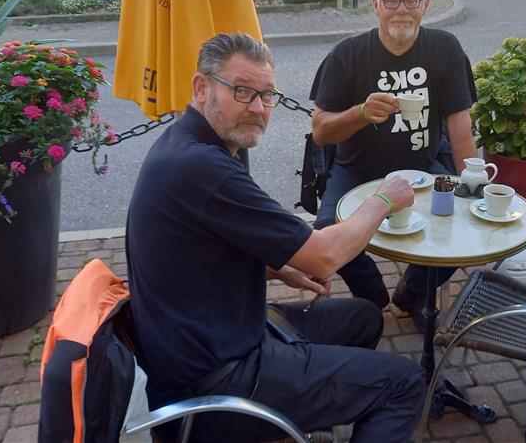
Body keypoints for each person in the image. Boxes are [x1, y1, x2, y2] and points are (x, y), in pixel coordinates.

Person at [125, 33, 426, 442]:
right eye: (243, 91)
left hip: (217, 339)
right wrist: (383, 199)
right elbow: (324, 257)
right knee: (404, 382)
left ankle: (315, 408)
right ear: (202, 87)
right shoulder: (202, 168)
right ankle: (305, 407)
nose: (257, 108)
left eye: (267, 95)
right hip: (216, 383)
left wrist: (279, 268)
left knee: (364, 317)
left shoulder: (188, 146)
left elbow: (201, 253)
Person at [311, 0, 478, 332]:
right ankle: (371, 296)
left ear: (425, 4)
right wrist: (361, 112)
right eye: (391, 0)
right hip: (356, 171)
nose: (401, 9)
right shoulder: (348, 54)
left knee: (463, 229)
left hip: (423, 168)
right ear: (376, 5)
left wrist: (474, 184)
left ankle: (413, 293)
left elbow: (460, 128)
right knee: (325, 231)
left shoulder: (445, 48)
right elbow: (321, 131)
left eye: (410, 0)